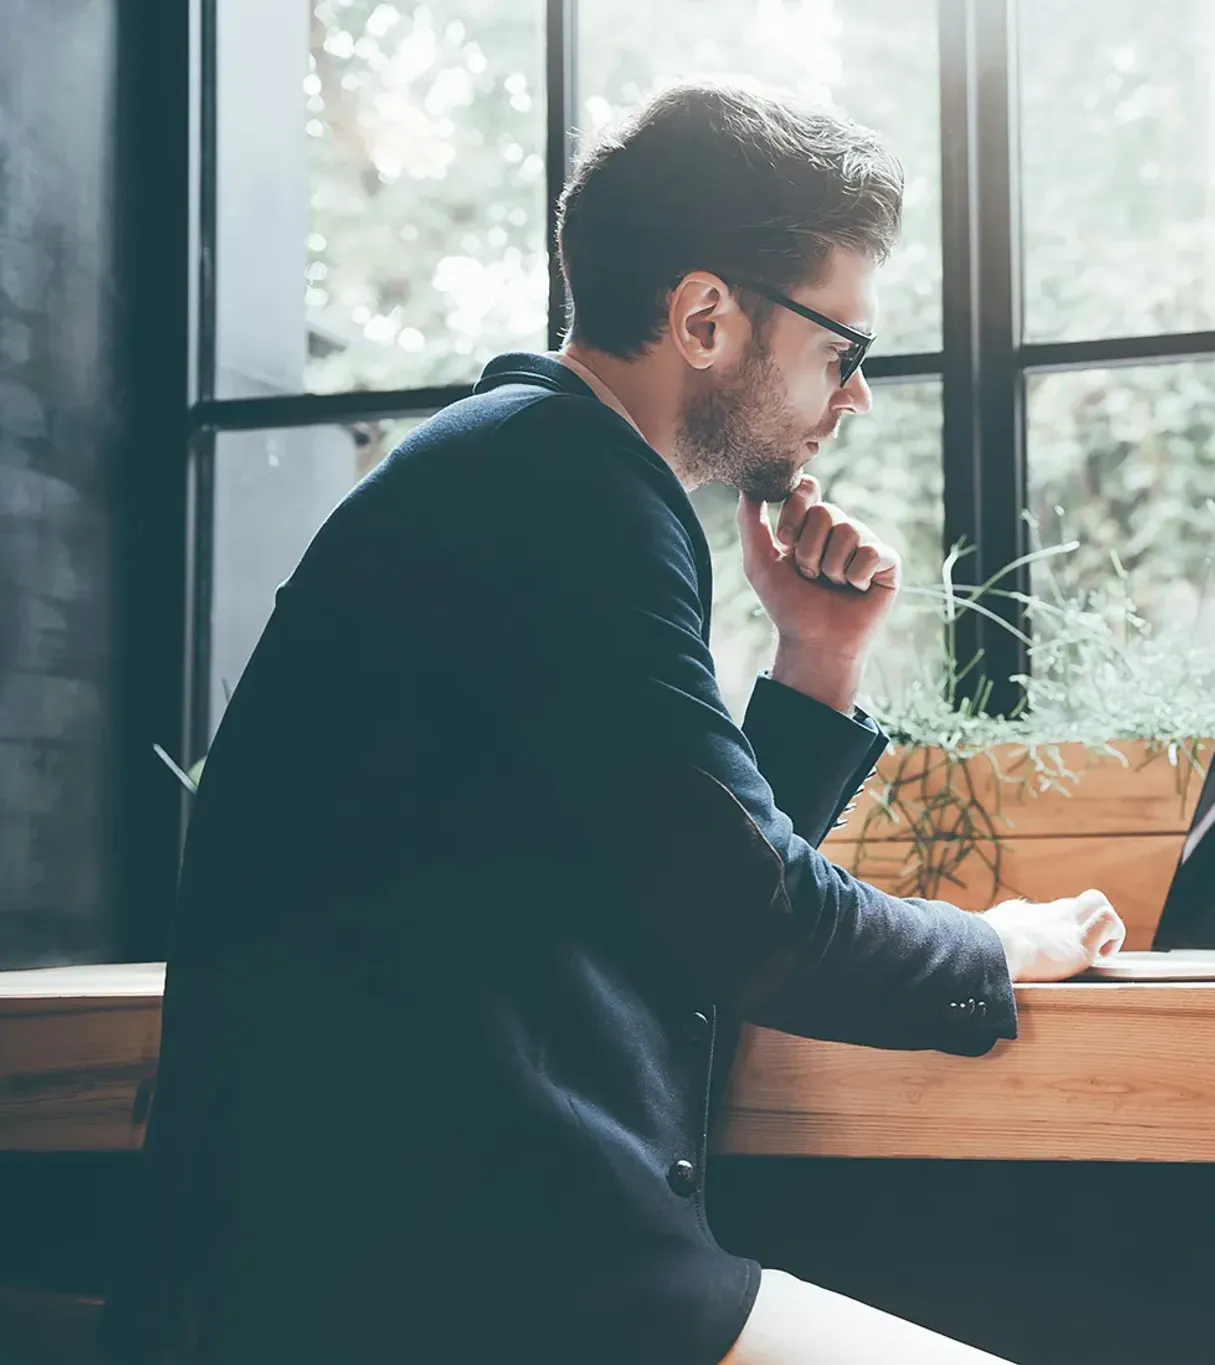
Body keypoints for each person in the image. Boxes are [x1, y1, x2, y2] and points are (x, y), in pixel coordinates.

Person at [105, 78, 1126, 1365]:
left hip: (387, 1250)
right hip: (443, 1276)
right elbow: (753, 924)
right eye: (843, 348)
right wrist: (997, 942)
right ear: (705, 316)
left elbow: (674, 881)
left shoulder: (517, 464)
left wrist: (814, 656)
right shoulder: (571, 492)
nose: (853, 396)